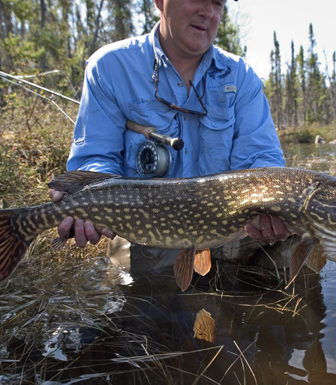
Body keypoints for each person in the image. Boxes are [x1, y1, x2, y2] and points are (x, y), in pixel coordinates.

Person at [50, 0, 293, 270]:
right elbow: (95, 158)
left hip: (233, 228)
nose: (208, 12)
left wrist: (274, 207)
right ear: (159, 2)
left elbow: (262, 161)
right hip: (145, 231)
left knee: (303, 240)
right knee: (143, 305)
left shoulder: (241, 77)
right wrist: (88, 203)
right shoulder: (109, 67)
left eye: (218, 3)